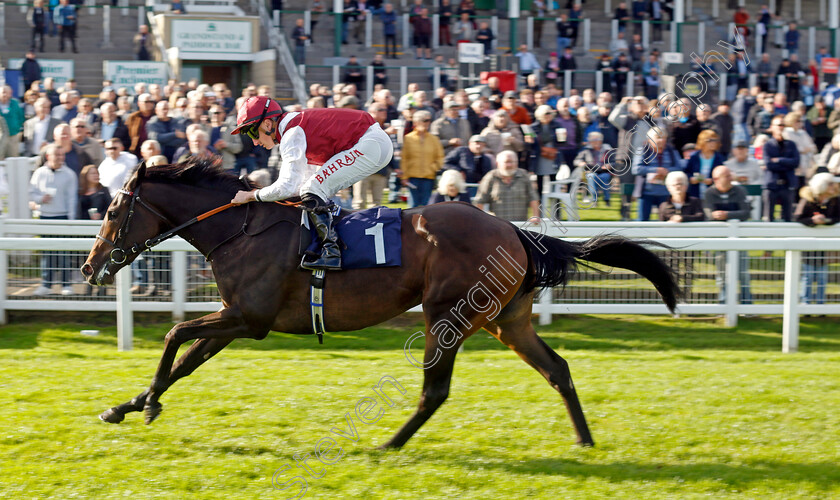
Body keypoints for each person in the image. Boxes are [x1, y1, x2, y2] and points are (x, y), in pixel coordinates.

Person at [229, 96, 393, 270]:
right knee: (310, 189)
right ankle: (324, 245)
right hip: (372, 143)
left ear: (268, 124)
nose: (254, 141)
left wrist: (251, 195)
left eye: (252, 133)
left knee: (312, 188)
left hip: (370, 144)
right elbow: (298, 186)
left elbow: (287, 186)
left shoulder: (291, 133)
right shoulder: (293, 128)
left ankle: (332, 252)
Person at [29, 143, 78, 297]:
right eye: (57, 155)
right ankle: (46, 285)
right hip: (44, 217)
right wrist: (40, 199)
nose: (60, 158)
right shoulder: (39, 173)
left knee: (63, 253)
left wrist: (71, 221)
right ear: (48, 156)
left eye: (62, 155)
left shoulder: (69, 174)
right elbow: (31, 193)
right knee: (47, 253)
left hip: (62, 217)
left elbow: (72, 199)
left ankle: (66, 285)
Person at [705, 165, 753, 305]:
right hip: (720, 240)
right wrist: (716, 215)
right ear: (716, 179)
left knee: (743, 273)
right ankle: (724, 303)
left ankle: (747, 304)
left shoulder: (740, 191)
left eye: (730, 175)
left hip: (740, 238)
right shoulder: (709, 193)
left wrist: (726, 215)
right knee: (722, 274)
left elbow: (745, 213)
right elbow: (709, 213)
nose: (730, 178)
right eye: (726, 176)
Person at [795, 173, 840, 305]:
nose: (833, 186)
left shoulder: (835, 200)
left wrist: (826, 221)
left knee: (822, 276)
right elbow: (798, 218)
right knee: (808, 275)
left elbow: (837, 218)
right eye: (830, 183)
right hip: (808, 243)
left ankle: (821, 304)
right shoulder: (807, 200)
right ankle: (806, 303)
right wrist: (813, 220)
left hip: (825, 244)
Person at [632, 128, 684, 221]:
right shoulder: (643, 150)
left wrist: (667, 170)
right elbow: (636, 169)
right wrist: (655, 170)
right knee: (642, 220)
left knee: (665, 220)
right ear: (649, 139)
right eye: (658, 137)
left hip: (666, 193)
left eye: (663, 138)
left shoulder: (671, 151)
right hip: (646, 192)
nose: (661, 140)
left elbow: (679, 167)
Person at [474, 150, 540, 222]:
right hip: (497, 225)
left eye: (512, 162)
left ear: (517, 163)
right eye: (506, 162)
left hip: (520, 225)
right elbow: (480, 200)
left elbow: (533, 198)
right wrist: (478, 220)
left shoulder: (524, 176)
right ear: (497, 163)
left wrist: (535, 216)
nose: (509, 165)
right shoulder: (490, 177)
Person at [399, 109, 444, 208]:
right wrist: (404, 176)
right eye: (424, 120)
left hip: (428, 178)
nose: (427, 123)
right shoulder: (408, 138)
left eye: (429, 120)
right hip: (413, 177)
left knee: (427, 205)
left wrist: (433, 168)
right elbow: (404, 159)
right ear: (416, 122)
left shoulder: (434, 139)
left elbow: (440, 157)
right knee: (413, 206)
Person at [763, 116, 801, 221]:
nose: (781, 127)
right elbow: (769, 164)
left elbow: (796, 162)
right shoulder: (768, 145)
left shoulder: (791, 144)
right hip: (772, 185)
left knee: (788, 216)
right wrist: (787, 164)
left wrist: (779, 160)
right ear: (772, 127)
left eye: (782, 125)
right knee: (769, 216)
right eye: (778, 125)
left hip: (787, 184)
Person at [574, 131, 614, 207]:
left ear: (601, 140)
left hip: (604, 171)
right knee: (591, 177)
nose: (594, 142)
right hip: (591, 171)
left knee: (604, 177)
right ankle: (594, 199)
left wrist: (609, 165)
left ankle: (607, 199)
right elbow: (576, 160)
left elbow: (614, 161)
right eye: (592, 140)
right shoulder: (585, 150)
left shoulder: (607, 150)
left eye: (596, 140)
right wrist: (581, 163)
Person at [685, 130, 726, 199]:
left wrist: (712, 181)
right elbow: (687, 172)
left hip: (714, 195)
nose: (713, 143)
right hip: (695, 195)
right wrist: (691, 179)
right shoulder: (694, 157)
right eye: (710, 140)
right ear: (702, 141)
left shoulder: (720, 158)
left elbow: (723, 176)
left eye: (715, 140)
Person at [0, 86, 25, 158]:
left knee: (12, 157)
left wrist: (17, 127)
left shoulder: (15, 103)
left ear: (10, 94)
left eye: (6, 93)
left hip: (13, 135)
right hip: (0, 137)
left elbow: (21, 117)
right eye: (3, 92)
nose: (4, 95)